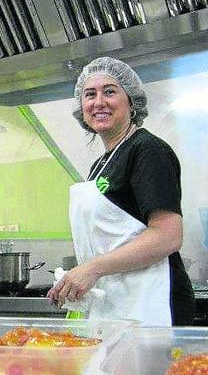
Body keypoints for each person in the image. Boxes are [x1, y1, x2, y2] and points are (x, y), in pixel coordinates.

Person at [47, 57, 195, 326]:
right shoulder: (101, 164)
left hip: (152, 300)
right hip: (117, 301)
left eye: (110, 91)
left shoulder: (148, 150)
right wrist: (77, 279)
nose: (99, 102)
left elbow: (168, 236)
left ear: (131, 102)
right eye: (90, 94)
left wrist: (92, 268)